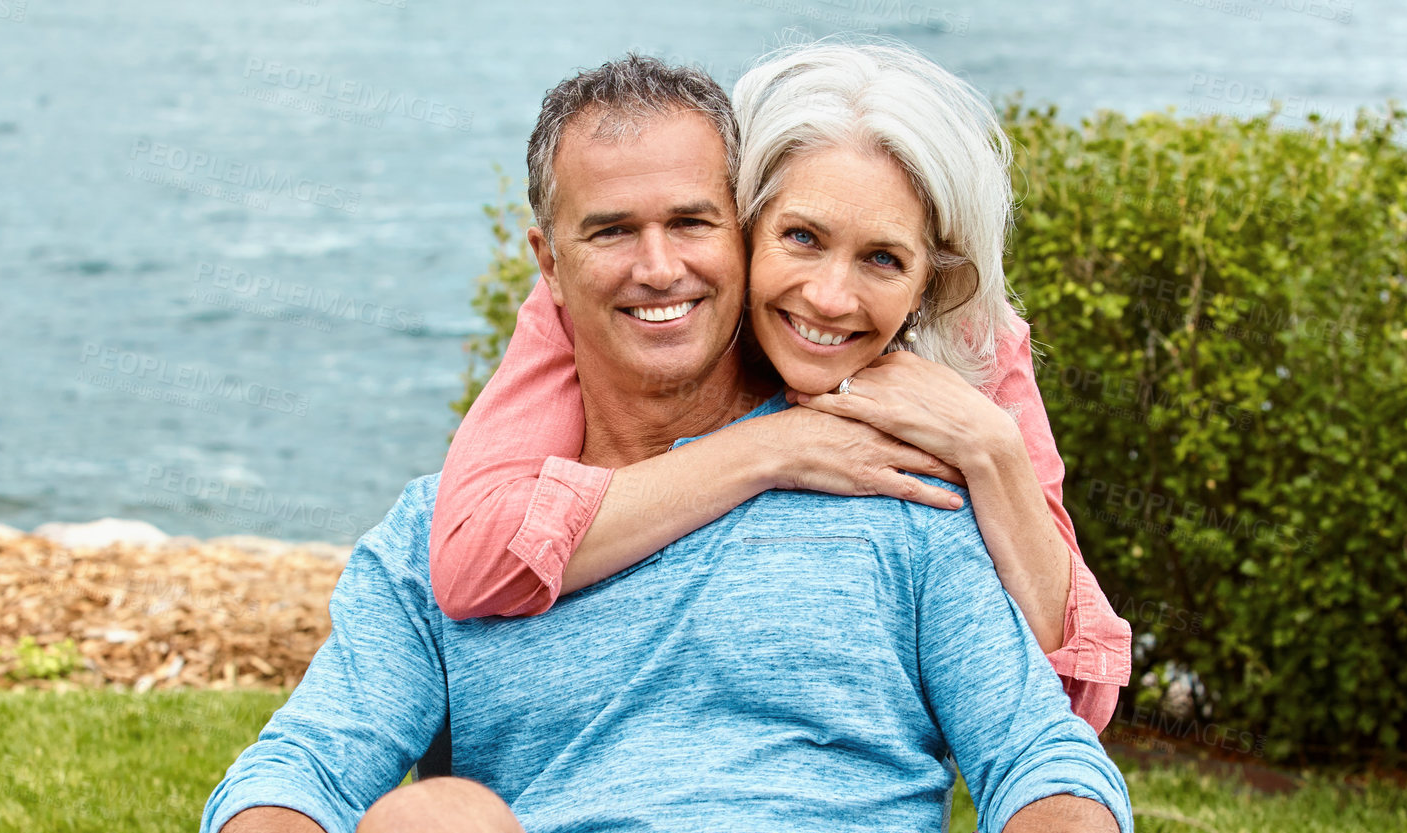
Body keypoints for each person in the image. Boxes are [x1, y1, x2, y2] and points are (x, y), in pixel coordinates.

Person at [193, 54, 1150, 833]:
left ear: (735, 240)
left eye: (691, 224)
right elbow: (300, 768)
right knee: (425, 826)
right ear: (546, 261)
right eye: (609, 231)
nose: (659, 269)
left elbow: (1035, 749)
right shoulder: (450, 534)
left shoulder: (895, 491)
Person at [431, 44, 1130, 730]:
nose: (828, 298)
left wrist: (992, 450)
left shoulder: (973, 340)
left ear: (930, 282)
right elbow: (473, 563)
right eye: (801, 237)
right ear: (743, 224)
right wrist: (776, 447)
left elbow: (1075, 705)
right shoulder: (587, 308)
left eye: (883, 258)